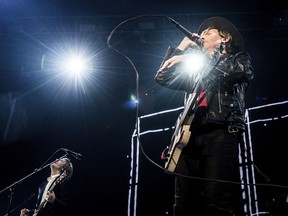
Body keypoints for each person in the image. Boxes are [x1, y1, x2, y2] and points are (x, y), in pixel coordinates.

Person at [155, 17, 254, 216]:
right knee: (182, 203)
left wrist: (193, 59)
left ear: (224, 38)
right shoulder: (196, 72)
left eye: (209, 32)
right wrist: (181, 48)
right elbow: (162, 77)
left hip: (220, 131)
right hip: (189, 134)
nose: (202, 35)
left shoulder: (238, 59)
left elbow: (239, 73)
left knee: (215, 201)